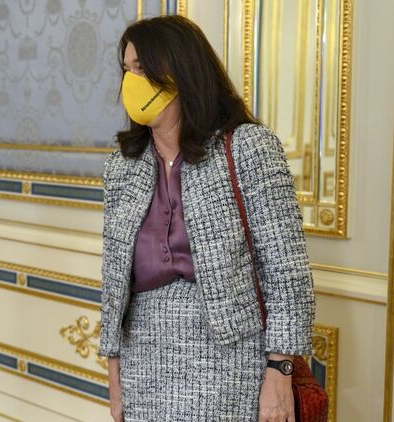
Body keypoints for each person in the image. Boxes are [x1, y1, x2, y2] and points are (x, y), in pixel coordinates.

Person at [99, 16, 315, 422]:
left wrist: (280, 371)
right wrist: (114, 374)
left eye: (142, 68)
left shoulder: (247, 147)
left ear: (179, 70)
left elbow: (287, 272)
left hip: (231, 363)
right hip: (142, 360)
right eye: (126, 70)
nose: (130, 81)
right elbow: (114, 283)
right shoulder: (122, 166)